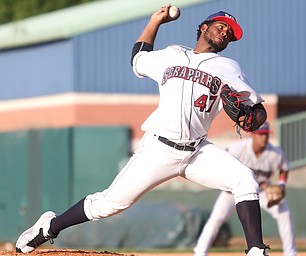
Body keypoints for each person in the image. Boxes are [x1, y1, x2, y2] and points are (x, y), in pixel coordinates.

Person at [15, 4, 269, 255]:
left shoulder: (229, 68)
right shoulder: (172, 54)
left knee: (245, 180)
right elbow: (138, 58)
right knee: (107, 205)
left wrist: (254, 118)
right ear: (204, 27)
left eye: (230, 32)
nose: (226, 32)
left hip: (197, 151)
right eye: (221, 26)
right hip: (158, 149)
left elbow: (257, 109)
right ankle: (49, 227)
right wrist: (154, 22)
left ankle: (256, 250)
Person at [194, 122, 297, 256]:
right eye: (260, 135)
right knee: (217, 218)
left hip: (262, 189)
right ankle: (200, 252)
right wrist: (225, 181)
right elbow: (221, 160)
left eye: (266, 135)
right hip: (234, 189)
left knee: (284, 213)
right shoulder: (239, 148)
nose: (264, 138)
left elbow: (284, 169)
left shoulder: (276, 153)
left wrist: (282, 185)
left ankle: (290, 252)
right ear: (253, 135)